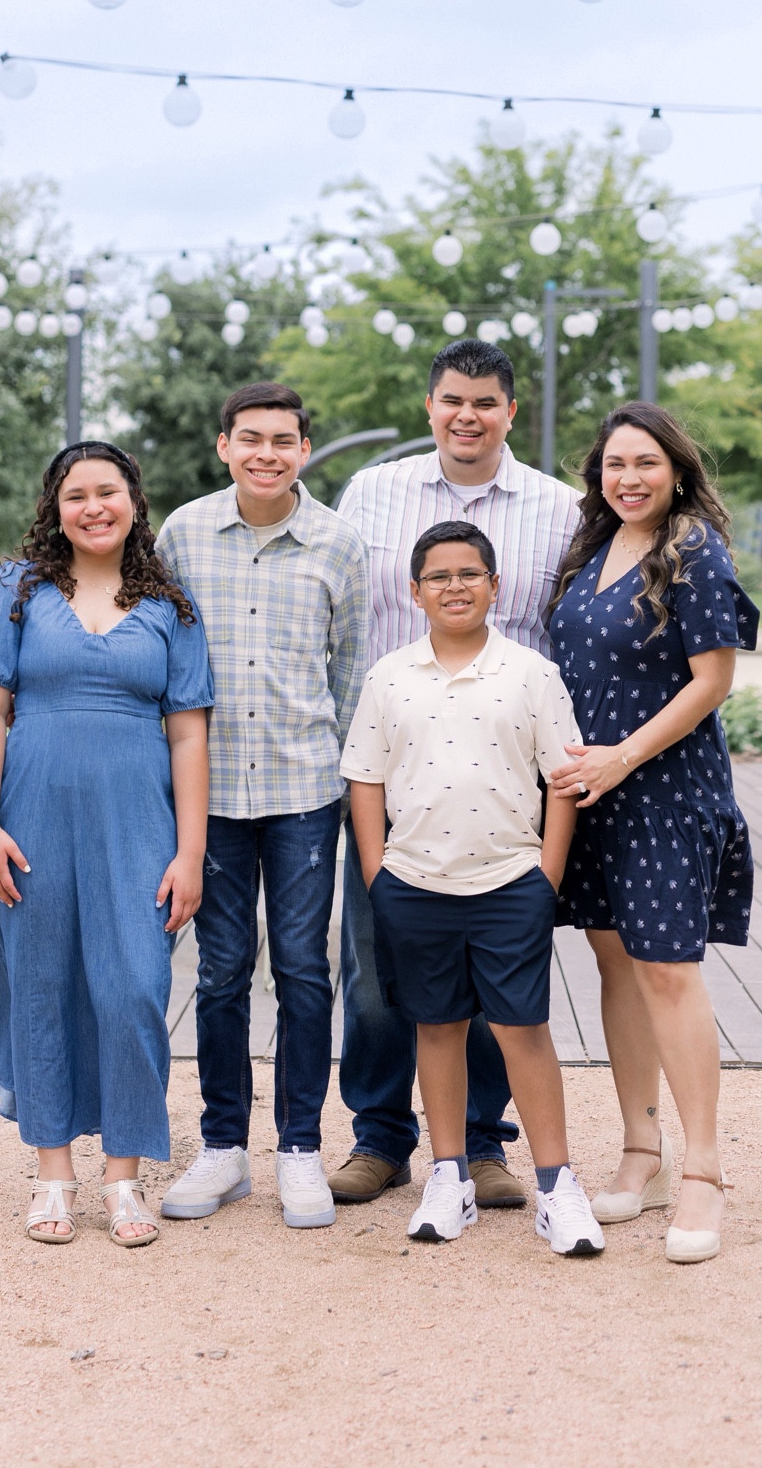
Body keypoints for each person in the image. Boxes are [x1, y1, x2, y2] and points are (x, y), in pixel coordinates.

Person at [330, 337, 580, 1209]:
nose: (466, 416)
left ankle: (478, 1144)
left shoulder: (560, 508)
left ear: (511, 412)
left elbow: (570, 639)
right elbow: (348, 620)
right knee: (372, 976)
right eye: (451, 400)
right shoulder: (373, 492)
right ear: (429, 406)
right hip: (394, 770)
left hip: (503, 785)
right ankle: (379, 1138)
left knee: (491, 985)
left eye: (484, 402)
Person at [0, 441, 212, 1248]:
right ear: (54, 508)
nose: (93, 507)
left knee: (133, 986)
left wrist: (190, 851)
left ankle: (124, 1176)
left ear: (135, 500)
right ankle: (54, 1173)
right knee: (43, 982)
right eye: (76, 495)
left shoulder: (170, 603)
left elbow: (189, 736)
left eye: (108, 491)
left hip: (136, 821)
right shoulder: (15, 590)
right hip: (30, 816)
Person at [343, 522, 604, 1255]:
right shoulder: (389, 676)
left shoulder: (529, 673)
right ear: (414, 591)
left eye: (469, 574)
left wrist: (545, 874)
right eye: (438, 576)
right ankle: (447, 1174)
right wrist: (377, 875)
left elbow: (563, 778)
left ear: (494, 585)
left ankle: (557, 1186)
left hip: (509, 880)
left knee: (522, 1030)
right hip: (413, 882)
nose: (454, 587)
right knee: (437, 1028)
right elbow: (364, 777)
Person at [544, 402, 757, 1264]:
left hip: (663, 789)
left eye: (645, 463)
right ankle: (642, 1152)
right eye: (613, 465)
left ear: (675, 470)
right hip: (591, 796)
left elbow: (712, 681)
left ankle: (702, 1174)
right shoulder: (591, 553)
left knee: (667, 972)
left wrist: (622, 758)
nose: (627, 479)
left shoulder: (693, 553)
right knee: (614, 969)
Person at [156, 383, 369, 1229]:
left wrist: (358, 796)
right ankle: (221, 1148)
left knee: (305, 971)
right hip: (209, 798)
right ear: (223, 446)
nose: (267, 454)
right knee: (217, 973)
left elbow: (349, 673)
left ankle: (300, 1151)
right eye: (251, 439)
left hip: (303, 791)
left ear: (304, 449)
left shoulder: (337, 545)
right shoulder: (181, 533)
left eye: (283, 440)